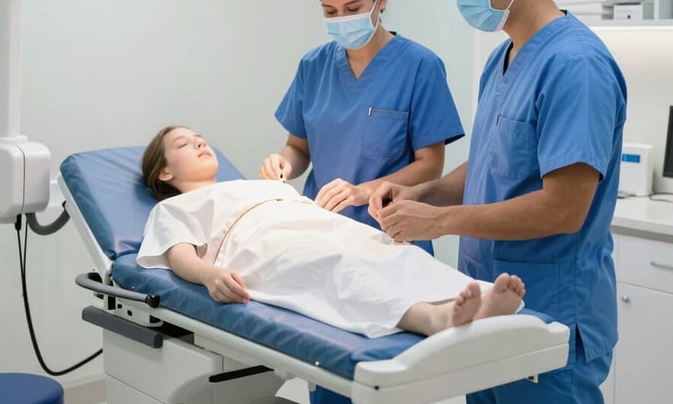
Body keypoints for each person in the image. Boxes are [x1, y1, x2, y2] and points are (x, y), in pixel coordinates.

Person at [370, 0, 627, 404]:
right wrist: (422, 193)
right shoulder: (503, 59)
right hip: (487, 309)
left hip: (550, 316)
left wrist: (438, 221)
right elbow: (490, 168)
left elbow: (563, 209)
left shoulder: (575, 66)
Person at [259, 0, 464, 404]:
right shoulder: (314, 66)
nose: (341, 21)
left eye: (352, 9)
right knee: (330, 391)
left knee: (398, 389)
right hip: (324, 245)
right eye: (330, 12)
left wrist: (363, 190)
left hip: (392, 240)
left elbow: (430, 164)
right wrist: (282, 164)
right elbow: (299, 146)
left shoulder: (419, 66)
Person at [136, 125, 525, 340]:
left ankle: (474, 297)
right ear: (164, 173)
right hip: (259, 244)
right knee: (336, 266)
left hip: (310, 220)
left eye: (200, 136)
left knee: (385, 247)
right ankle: (431, 319)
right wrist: (210, 275)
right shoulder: (173, 207)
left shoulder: (255, 184)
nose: (200, 141)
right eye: (184, 144)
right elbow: (179, 253)